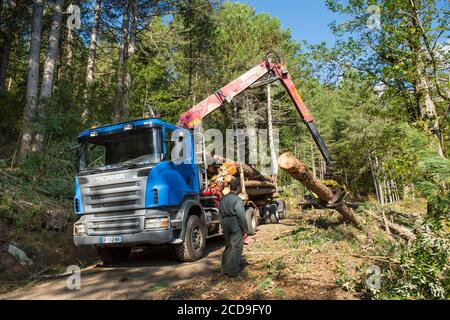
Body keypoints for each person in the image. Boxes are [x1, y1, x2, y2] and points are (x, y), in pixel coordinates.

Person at [219, 177, 248, 278]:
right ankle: (233, 272)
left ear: (230, 187)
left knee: (228, 247)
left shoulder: (223, 199)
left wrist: (222, 226)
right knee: (236, 248)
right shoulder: (237, 200)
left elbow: (220, 214)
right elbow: (241, 215)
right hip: (235, 223)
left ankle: (224, 270)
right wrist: (245, 229)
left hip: (225, 223)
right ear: (238, 188)